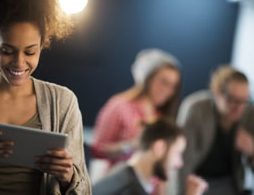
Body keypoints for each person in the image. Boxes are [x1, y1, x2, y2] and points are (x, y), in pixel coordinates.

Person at [0, 0, 91, 194]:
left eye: (30, 52)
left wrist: (67, 176)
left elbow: (84, 189)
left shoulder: (63, 103)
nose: (19, 63)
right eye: (7, 51)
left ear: (42, 45)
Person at [91, 49, 182, 168]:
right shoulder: (119, 106)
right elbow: (97, 150)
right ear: (147, 78)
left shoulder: (162, 116)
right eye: (164, 82)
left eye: (173, 86)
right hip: (122, 182)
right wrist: (131, 145)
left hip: (149, 185)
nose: (168, 91)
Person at [177, 65, 254, 195]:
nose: (239, 108)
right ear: (218, 92)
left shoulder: (249, 114)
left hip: (231, 184)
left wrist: (252, 150)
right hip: (198, 182)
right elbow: (181, 162)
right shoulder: (196, 109)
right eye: (233, 100)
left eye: (244, 101)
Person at [92, 119, 208, 195]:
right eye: (177, 153)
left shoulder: (124, 174)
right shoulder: (130, 189)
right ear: (159, 148)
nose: (179, 163)